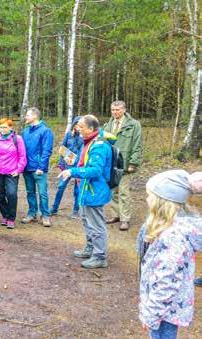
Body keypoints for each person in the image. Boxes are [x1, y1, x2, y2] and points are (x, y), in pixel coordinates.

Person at [137, 170, 202, 339]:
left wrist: (151, 314)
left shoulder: (173, 237)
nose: (146, 199)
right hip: (167, 306)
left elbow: (167, 282)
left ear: (163, 202)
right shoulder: (169, 229)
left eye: (150, 195)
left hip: (165, 309)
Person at [59, 115, 112, 269]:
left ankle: (100, 256)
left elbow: (95, 170)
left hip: (95, 191)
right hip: (85, 189)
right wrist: (69, 163)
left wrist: (73, 172)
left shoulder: (100, 145)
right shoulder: (88, 142)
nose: (77, 128)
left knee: (96, 224)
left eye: (81, 126)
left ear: (90, 128)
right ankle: (90, 248)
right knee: (86, 220)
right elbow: (82, 162)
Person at [103, 100, 143, 231]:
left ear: (124, 110)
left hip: (125, 164)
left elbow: (137, 145)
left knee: (124, 192)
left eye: (118, 110)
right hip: (111, 164)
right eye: (113, 110)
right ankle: (116, 215)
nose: (115, 112)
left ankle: (125, 219)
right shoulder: (108, 125)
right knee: (113, 191)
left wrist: (133, 162)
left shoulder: (133, 125)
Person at [0, 118, 27, 229]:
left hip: (12, 172)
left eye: (5, 127)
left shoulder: (17, 139)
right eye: (1, 127)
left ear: (10, 128)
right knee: (0, 195)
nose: (2, 129)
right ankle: (5, 216)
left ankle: (11, 218)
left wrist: (18, 170)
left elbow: (22, 156)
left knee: (11, 194)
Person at [21, 107, 54, 227]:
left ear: (35, 116)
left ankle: (45, 215)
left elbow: (47, 150)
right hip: (27, 167)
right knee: (30, 192)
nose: (26, 117)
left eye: (28, 115)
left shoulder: (45, 131)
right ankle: (32, 213)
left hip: (39, 168)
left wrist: (42, 167)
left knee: (42, 193)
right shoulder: (25, 131)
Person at [51, 116, 83, 218]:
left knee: (77, 190)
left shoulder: (85, 137)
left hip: (79, 167)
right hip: (67, 166)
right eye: (77, 124)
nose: (78, 126)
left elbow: (84, 153)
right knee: (61, 187)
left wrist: (75, 160)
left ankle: (75, 210)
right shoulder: (69, 135)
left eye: (80, 124)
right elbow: (62, 149)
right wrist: (66, 158)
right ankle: (54, 208)